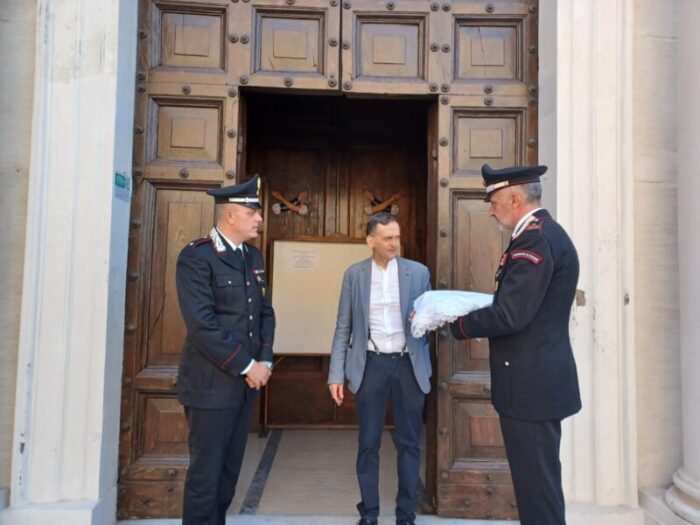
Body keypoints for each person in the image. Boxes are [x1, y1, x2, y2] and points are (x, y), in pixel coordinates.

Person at [449, 164, 581, 525]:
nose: (490, 209)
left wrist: (459, 324)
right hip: (534, 383)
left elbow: (510, 314)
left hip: (531, 388)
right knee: (538, 486)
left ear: (514, 197)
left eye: (492, 201)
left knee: (537, 491)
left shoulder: (535, 239)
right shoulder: (542, 234)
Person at [175, 174, 275, 525]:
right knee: (206, 478)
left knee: (228, 476)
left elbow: (264, 312)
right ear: (230, 216)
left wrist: (264, 360)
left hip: (243, 388)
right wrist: (249, 366)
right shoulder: (197, 257)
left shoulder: (253, 256)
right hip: (210, 386)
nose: (259, 219)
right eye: (253, 213)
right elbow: (202, 324)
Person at [328, 212, 431, 525]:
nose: (395, 244)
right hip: (371, 363)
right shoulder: (354, 275)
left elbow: (427, 319)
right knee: (368, 443)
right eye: (388, 238)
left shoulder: (418, 272)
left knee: (410, 443)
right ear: (370, 240)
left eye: (397, 237)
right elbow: (342, 327)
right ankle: (369, 514)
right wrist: (336, 373)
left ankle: (406, 516)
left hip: (408, 365)